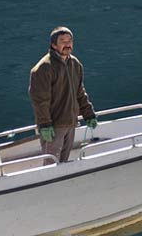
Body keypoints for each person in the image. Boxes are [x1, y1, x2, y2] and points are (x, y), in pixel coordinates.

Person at [28, 26, 98, 163]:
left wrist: (88, 114)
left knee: (64, 163)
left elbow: (80, 93)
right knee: (51, 165)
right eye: (62, 41)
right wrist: (44, 125)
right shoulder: (44, 68)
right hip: (53, 127)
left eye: (69, 41)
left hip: (70, 124)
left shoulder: (75, 64)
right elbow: (40, 101)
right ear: (53, 45)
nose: (67, 44)